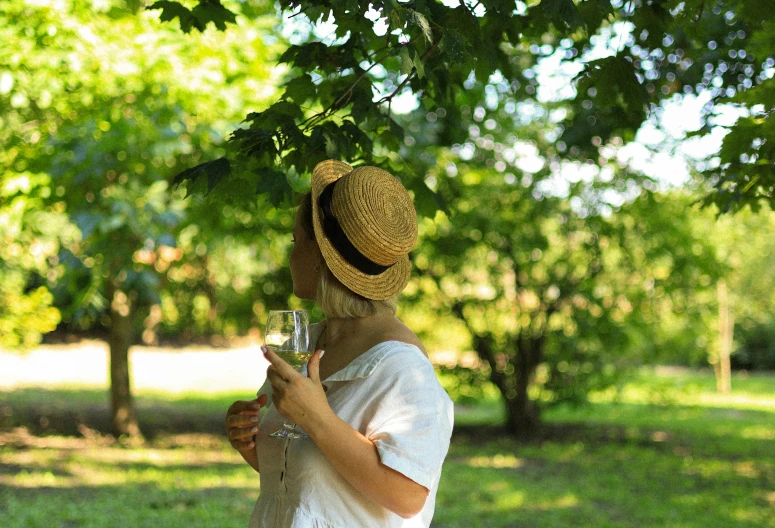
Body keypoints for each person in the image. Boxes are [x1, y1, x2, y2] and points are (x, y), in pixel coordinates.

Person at [225, 160, 454, 527]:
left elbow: (408, 498)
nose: (291, 255)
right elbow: (309, 484)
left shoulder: (402, 368)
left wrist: (317, 419)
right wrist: (250, 441)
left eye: (296, 241)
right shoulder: (308, 340)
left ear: (320, 257)